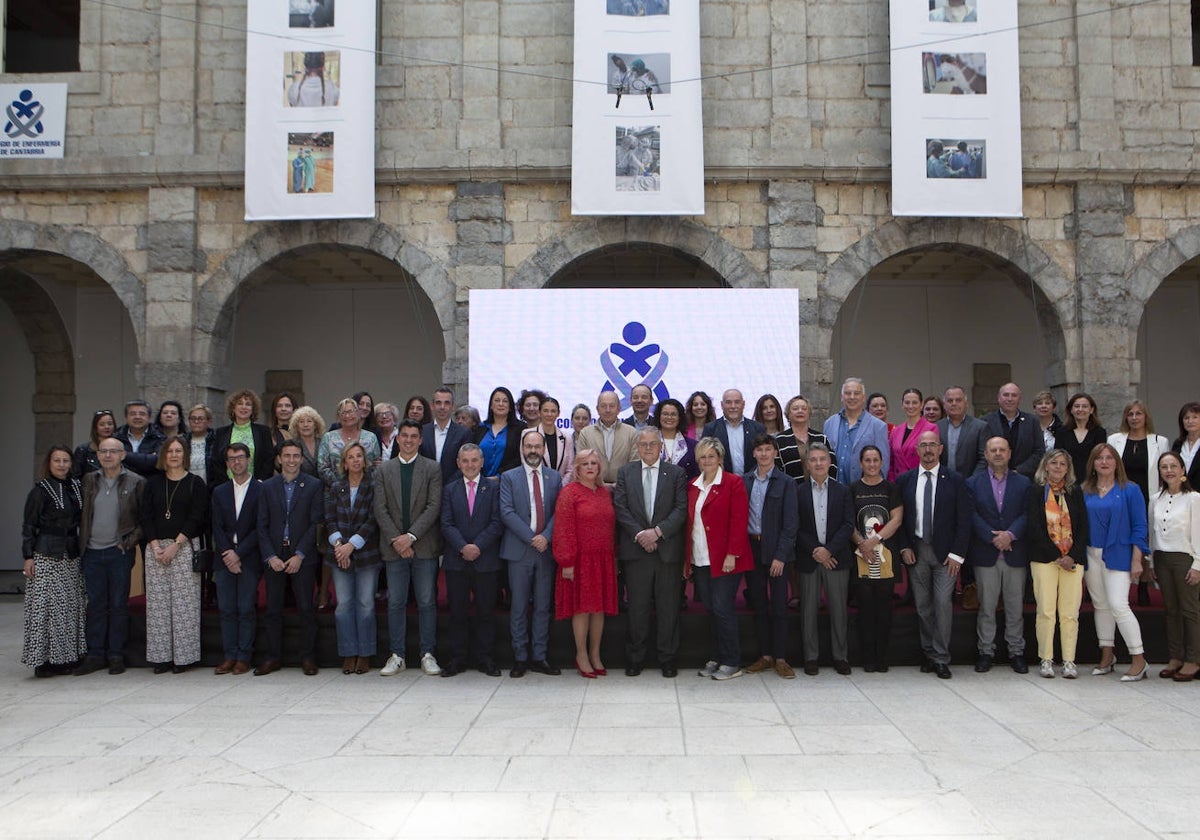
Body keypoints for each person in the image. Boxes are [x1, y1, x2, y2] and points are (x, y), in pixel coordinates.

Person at [613, 428, 689, 677]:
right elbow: (621, 508)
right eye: (643, 444)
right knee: (637, 608)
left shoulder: (676, 473)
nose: (647, 448)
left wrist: (656, 532)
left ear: (660, 447)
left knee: (668, 608)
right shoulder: (625, 473)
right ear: (637, 446)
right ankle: (636, 658)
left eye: (652, 444)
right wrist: (640, 535)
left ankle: (667, 658)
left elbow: (680, 509)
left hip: (666, 551)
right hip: (636, 552)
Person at [897, 430, 972, 678]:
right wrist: (904, 546)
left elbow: (964, 520)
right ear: (916, 450)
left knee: (942, 604)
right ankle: (928, 652)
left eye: (932, 445)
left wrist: (957, 555)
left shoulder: (955, 480)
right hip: (916, 551)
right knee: (923, 606)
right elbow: (901, 520)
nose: (928, 450)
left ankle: (941, 657)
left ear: (940, 449)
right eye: (923, 445)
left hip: (945, 555)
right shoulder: (905, 480)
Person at [373, 419, 444, 676]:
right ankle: (397, 655)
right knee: (396, 603)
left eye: (414, 436)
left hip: (424, 546)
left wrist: (411, 536)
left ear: (421, 440)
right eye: (404, 436)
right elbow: (380, 509)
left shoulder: (432, 468)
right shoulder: (384, 470)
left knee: (426, 602)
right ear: (397, 438)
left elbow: (433, 506)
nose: (409, 440)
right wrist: (398, 540)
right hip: (394, 548)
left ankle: (427, 653)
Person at [73, 438, 144, 676]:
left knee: (118, 605)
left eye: (113, 451)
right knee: (95, 605)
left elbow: (142, 520)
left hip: (118, 553)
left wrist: (128, 543)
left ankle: (115, 654)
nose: (108, 455)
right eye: (103, 451)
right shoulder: (88, 481)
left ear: (123, 455)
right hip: (91, 552)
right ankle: (95, 654)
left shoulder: (135, 482)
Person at [256, 439, 324, 676]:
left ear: (302, 459)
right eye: (287, 456)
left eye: (296, 456)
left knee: (306, 608)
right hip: (274, 555)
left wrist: (300, 554)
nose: (292, 460)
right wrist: (270, 556)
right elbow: (261, 526)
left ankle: (307, 656)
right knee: (273, 609)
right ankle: (273, 657)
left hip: (302, 556)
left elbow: (316, 523)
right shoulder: (266, 487)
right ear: (279, 459)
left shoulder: (314, 485)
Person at [142, 436, 209, 674]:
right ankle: (161, 658)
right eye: (169, 451)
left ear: (185, 455)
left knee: (184, 606)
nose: (173, 455)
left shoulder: (195, 483)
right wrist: (155, 545)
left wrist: (176, 545)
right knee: (158, 606)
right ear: (163, 455)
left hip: (183, 546)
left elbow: (196, 517)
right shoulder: (152, 483)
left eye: (178, 451)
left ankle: (184, 658)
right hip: (156, 549)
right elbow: (146, 516)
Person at [1082, 443, 1149, 681]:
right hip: (1091, 554)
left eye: (1109, 457)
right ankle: (1107, 656)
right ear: (1093, 463)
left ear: (1117, 462)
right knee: (1100, 605)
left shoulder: (1130, 490)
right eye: (1099, 458)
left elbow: (1140, 526)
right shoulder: (1085, 490)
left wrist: (1137, 560)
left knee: (1119, 605)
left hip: (1120, 554)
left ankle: (1139, 659)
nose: (1104, 462)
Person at [687, 437, 753, 680]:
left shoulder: (733, 483)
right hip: (701, 558)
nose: (707, 461)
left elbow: (739, 520)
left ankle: (732, 661)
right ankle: (717, 656)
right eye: (703, 457)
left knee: (723, 609)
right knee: (711, 609)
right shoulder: (693, 484)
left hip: (725, 558)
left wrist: (732, 553)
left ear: (720, 458)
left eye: (711, 456)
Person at [500, 429, 564, 677]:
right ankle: (520, 657)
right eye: (529, 446)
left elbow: (560, 512)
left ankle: (539, 656)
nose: (534, 451)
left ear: (544, 450)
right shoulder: (509, 477)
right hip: (519, 551)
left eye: (538, 447)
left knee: (542, 606)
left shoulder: (555, 477)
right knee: (518, 607)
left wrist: (545, 537)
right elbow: (506, 512)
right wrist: (532, 538)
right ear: (522, 449)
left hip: (545, 552)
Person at [966, 437, 1033, 674]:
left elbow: (1028, 513)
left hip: (1015, 553)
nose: (997, 454)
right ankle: (986, 651)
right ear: (985, 454)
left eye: (1001, 450)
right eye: (993, 450)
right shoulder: (972, 483)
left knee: (1015, 607)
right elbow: (971, 515)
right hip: (986, 553)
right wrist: (992, 536)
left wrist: (1011, 534)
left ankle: (1016, 651)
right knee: (987, 607)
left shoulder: (1024, 483)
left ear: (1009, 453)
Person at [440, 443, 505, 677]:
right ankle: (457, 660)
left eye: (474, 460)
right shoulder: (449, 489)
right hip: (456, 560)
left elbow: (497, 522)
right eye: (465, 461)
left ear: (481, 462)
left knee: (485, 612)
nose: (470, 465)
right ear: (458, 463)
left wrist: (477, 546)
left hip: (485, 559)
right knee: (457, 613)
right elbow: (446, 523)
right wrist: (463, 547)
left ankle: (485, 659)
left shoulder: (493, 488)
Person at [553, 449, 619, 678]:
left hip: (603, 559)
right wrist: (567, 561)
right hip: (580, 560)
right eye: (585, 464)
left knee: (598, 609)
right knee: (582, 609)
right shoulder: (569, 493)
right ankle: (581, 654)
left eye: (594, 463)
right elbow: (563, 529)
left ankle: (595, 653)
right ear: (577, 468)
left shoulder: (603, 492)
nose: (590, 467)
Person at [21, 446, 85, 678]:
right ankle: (43, 661)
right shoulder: (39, 491)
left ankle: (66, 657)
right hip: (46, 555)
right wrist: (28, 556)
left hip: (70, 554)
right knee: (45, 608)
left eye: (65, 460)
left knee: (68, 607)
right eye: (56, 460)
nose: (61, 465)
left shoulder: (76, 487)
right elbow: (29, 526)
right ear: (49, 463)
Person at [1027, 449, 1089, 679]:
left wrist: (1071, 555)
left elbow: (1083, 527)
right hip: (1045, 559)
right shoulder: (1035, 492)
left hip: (1072, 560)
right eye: (1054, 463)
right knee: (1046, 611)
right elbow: (1033, 527)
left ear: (1068, 468)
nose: (1058, 467)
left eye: (1063, 464)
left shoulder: (1074, 492)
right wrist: (1056, 554)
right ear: (1045, 466)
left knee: (1070, 612)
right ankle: (1046, 659)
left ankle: (1069, 661)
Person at [795, 442, 856, 675]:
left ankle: (840, 656)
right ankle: (811, 657)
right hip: (810, 559)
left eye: (822, 459)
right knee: (808, 610)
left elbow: (848, 524)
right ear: (807, 464)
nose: (818, 463)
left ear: (830, 462)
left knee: (839, 610)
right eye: (813, 460)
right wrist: (817, 551)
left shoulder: (843, 491)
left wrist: (829, 550)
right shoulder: (798, 491)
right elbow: (796, 526)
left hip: (836, 558)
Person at [742, 434, 799, 678]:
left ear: (775, 453)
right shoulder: (744, 481)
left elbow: (791, 524)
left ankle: (781, 658)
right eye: (759, 450)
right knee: (759, 605)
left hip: (776, 551)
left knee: (778, 606)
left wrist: (781, 556)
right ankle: (765, 656)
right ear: (754, 454)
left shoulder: (786, 482)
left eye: (768, 449)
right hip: (751, 549)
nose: (764, 454)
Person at [324, 441, 380, 676]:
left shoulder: (373, 486)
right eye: (351, 457)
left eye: (359, 456)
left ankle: (365, 654)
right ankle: (348, 653)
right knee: (343, 605)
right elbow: (329, 519)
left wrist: (351, 545)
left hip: (366, 553)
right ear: (344, 463)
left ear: (364, 461)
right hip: (340, 555)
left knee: (366, 605)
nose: (356, 460)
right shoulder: (336, 487)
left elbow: (374, 519)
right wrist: (340, 546)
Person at [210, 442, 262, 676]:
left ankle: (244, 656)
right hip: (224, 558)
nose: (236, 462)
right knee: (227, 609)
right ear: (227, 463)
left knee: (246, 608)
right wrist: (228, 554)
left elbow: (261, 527)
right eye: (231, 459)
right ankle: (229, 655)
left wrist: (239, 554)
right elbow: (216, 527)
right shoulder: (219, 491)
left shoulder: (261, 489)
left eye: (240, 457)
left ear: (248, 459)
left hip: (249, 557)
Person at [1147, 452, 1200, 681]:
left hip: (1185, 558)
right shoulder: (1155, 498)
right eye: (1164, 467)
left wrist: (1197, 564)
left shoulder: (1194, 498)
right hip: (1162, 558)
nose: (1169, 470)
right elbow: (1152, 532)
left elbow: (1198, 533)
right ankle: (1175, 656)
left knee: (1190, 610)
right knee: (1171, 611)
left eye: (1173, 466)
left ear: (1182, 470)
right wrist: (1150, 562)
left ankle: (1192, 659)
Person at [850, 446, 903, 673]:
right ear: (861, 463)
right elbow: (848, 522)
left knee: (884, 609)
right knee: (865, 608)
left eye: (875, 460)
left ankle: (882, 657)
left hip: (885, 555)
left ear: (882, 462)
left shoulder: (891, 488)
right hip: (861, 555)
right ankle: (867, 658)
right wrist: (863, 543)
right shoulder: (852, 489)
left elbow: (897, 519)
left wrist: (876, 539)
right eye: (867, 460)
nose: (871, 464)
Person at [824, 377, 890, 484]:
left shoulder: (878, 426)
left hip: (863, 491)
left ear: (863, 397)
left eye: (856, 393)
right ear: (842, 397)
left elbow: (883, 464)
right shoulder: (829, 423)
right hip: (834, 489)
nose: (852, 397)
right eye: (848, 393)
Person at [983, 382, 1045, 479]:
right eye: (1006, 395)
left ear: (1019, 399)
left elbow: (1039, 451)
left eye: (1014, 395)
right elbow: (982, 451)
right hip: (993, 478)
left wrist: (1019, 471)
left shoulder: (1032, 421)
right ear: (998, 398)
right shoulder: (985, 422)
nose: (1010, 399)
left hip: (1024, 478)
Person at [211, 389, 275, 482]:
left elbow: (269, 460)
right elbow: (216, 461)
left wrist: (260, 482)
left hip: (256, 485)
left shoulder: (263, 431)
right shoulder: (221, 432)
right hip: (227, 485)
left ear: (253, 410)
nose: (244, 407)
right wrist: (226, 484)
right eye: (240, 403)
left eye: (248, 404)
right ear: (233, 408)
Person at [577, 390, 638, 485]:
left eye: (612, 406)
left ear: (619, 409)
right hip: (593, 489)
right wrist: (599, 484)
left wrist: (620, 485)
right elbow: (581, 464)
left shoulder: (631, 433)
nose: (608, 410)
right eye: (603, 406)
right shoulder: (585, 433)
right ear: (597, 409)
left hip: (624, 490)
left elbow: (634, 464)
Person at [318, 397, 382, 485]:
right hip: (335, 492)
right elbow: (322, 468)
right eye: (343, 413)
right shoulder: (328, 438)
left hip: (366, 492)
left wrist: (361, 485)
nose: (347, 416)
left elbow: (377, 466)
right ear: (338, 416)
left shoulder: (371, 438)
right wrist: (342, 486)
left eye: (351, 411)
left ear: (358, 413)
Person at [703, 389, 766, 478]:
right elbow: (705, 458)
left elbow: (764, 456)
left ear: (743, 404)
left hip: (753, 481)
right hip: (721, 482)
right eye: (728, 402)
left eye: (737, 402)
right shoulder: (711, 429)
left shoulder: (757, 428)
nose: (733, 406)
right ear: (722, 405)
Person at [775, 395, 836, 483]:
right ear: (788, 414)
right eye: (795, 408)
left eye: (804, 408)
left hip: (820, 491)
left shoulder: (821, 438)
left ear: (809, 413)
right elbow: (777, 470)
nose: (800, 411)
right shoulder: (780, 440)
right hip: (791, 491)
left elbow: (832, 465)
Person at [420, 386, 471, 483]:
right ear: (432, 406)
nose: (442, 407)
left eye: (447, 403)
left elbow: (465, 464)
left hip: (453, 489)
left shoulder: (463, 433)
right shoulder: (422, 431)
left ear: (453, 407)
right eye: (438, 403)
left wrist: (448, 486)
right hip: (425, 487)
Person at [1054, 392, 1107, 485]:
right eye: (1077, 406)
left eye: (1085, 406)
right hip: (1067, 482)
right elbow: (1058, 457)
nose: (1080, 409)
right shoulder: (1061, 432)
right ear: (1071, 410)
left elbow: (1100, 458)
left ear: (1091, 410)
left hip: (1092, 482)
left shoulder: (1099, 432)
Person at [937, 385, 987, 478]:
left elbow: (984, 458)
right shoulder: (937, 427)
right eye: (950, 401)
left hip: (970, 482)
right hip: (943, 482)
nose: (954, 403)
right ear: (944, 405)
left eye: (958, 400)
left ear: (966, 403)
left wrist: (973, 480)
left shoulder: (980, 427)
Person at [888, 388, 938, 481]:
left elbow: (932, 458)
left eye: (914, 402)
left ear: (921, 404)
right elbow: (891, 460)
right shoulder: (896, 431)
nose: (910, 406)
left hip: (920, 480)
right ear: (902, 404)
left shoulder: (931, 428)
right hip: (898, 482)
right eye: (907, 402)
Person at [475, 386, 525, 478]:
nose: (500, 404)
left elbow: (519, 458)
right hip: (481, 482)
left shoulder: (520, 429)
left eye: (505, 401)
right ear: (491, 405)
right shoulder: (480, 428)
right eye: (497, 400)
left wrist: (499, 476)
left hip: (508, 482)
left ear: (510, 407)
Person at [651, 398, 698, 480]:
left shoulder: (693, 446)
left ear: (680, 418)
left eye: (673, 414)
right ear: (659, 416)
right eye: (665, 414)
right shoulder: (648, 443)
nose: (669, 417)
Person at [115, 399, 164, 476]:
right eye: (133, 414)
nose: (137, 417)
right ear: (126, 417)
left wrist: (125, 455)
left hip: (150, 484)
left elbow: (158, 462)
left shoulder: (160, 437)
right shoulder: (116, 437)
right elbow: (112, 462)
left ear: (149, 417)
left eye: (142, 414)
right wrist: (147, 459)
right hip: (122, 483)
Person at [538, 396, 575, 482]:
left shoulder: (567, 438)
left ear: (558, 414)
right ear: (539, 413)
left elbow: (570, 469)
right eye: (545, 411)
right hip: (536, 487)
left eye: (553, 411)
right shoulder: (529, 434)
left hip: (561, 488)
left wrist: (560, 486)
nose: (549, 414)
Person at [73, 409, 117, 478]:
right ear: (95, 428)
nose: (106, 427)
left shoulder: (120, 448)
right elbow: (75, 477)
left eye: (110, 424)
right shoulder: (83, 450)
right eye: (102, 424)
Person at [287, 405, 325, 478]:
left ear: (315, 425)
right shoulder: (292, 445)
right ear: (296, 426)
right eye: (301, 422)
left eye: (309, 421)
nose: (305, 425)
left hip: (324, 487)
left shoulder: (323, 443)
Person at [186, 404, 216, 486]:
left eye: (200, 419)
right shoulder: (183, 441)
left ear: (209, 421)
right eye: (193, 418)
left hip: (210, 488)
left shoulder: (216, 440)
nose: (196, 421)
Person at [1174, 401, 1200, 488]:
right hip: (1182, 492)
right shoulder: (1178, 444)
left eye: (1195, 417)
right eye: (1186, 418)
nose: (1190, 421)